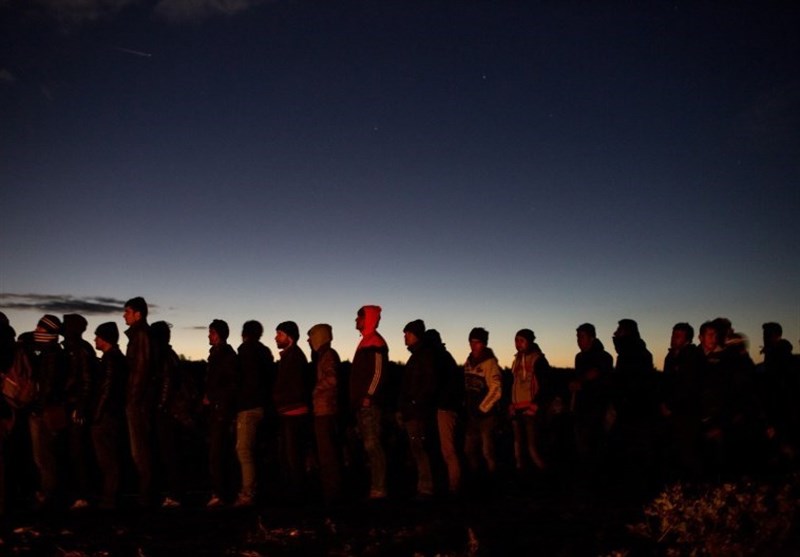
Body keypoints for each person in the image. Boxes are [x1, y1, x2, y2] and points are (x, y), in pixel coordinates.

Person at [26, 314, 68, 510]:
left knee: (43, 455)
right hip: (48, 408)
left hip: (45, 411)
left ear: (49, 331)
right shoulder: (49, 351)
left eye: (40, 327)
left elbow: (48, 384)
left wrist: (38, 407)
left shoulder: (50, 354)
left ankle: (48, 494)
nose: (36, 329)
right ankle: (49, 492)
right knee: (46, 454)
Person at [350, 305, 390, 500]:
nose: (356, 320)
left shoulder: (375, 342)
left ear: (368, 319)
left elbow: (378, 372)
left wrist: (368, 396)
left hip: (369, 405)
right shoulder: (365, 342)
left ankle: (379, 487)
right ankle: (373, 485)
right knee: (368, 446)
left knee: (373, 445)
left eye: (359, 317)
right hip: (362, 404)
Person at [234, 320, 274, 507]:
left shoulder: (245, 352)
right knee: (256, 450)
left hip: (248, 407)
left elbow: (242, 380)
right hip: (263, 406)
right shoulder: (265, 352)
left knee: (244, 450)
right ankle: (260, 488)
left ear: (244, 333)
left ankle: (248, 492)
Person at [273, 320, 313, 501]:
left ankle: (297, 495)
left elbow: (296, 387)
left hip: (294, 412)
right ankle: (293, 492)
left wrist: (278, 397)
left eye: (279, 334)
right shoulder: (289, 356)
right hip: (288, 411)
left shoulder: (294, 358)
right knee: (289, 456)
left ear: (289, 337)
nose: (276, 338)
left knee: (293, 456)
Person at [570, 323, 613, 489]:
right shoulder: (579, 357)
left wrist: (581, 383)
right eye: (577, 337)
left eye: (581, 337)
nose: (578, 340)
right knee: (582, 443)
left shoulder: (603, 357)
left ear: (592, 338)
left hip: (596, 408)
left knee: (595, 443)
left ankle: (596, 481)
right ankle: (586, 478)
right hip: (581, 407)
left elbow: (597, 377)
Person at [660, 322, 704, 481]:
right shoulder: (670, 357)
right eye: (673, 335)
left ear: (687, 339)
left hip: (686, 413)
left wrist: (672, 406)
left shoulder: (692, 357)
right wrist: (663, 403)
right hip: (671, 412)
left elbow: (688, 387)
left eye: (678, 336)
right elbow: (666, 384)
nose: (673, 339)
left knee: (688, 451)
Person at [61, 314, 97, 510]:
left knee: (78, 452)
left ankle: (83, 494)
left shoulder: (78, 350)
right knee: (74, 451)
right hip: (73, 404)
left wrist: (80, 407)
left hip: (75, 406)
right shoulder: (76, 348)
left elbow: (86, 381)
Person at [90, 322, 128, 510]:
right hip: (112, 414)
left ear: (105, 339)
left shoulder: (110, 360)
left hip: (107, 416)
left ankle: (110, 499)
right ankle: (112, 496)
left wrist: (97, 414)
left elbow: (106, 389)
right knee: (111, 456)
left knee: (107, 458)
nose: (94, 339)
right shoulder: (116, 358)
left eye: (97, 336)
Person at [151, 320, 189, 508]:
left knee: (169, 453)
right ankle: (175, 492)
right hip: (171, 410)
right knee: (171, 453)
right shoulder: (170, 355)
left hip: (167, 412)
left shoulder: (163, 356)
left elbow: (166, 381)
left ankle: (175, 494)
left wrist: (160, 405)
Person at [399, 319, 437, 499]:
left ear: (416, 335)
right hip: (413, 411)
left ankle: (426, 487)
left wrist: (415, 402)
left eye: (408, 333)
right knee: (417, 449)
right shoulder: (416, 356)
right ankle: (422, 484)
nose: (405, 337)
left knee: (420, 449)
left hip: (418, 412)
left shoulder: (424, 356)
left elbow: (428, 383)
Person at [123, 296, 155, 507]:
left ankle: (146, 495)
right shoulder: (138, 335)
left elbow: (140, 370)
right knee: (141, 449)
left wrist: (132, 399)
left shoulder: (141, 335)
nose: (124, 315)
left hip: (138, 401)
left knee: (140, 450)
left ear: (138, 314)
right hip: (138, 400)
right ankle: (146, 492)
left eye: (127, 311)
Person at [204, 319, 239, 507]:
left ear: (218, 334)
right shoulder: (218, 354)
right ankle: (222, 491)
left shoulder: (225, 356)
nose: (209, 336)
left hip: (221, 411)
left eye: (211, 332)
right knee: (218, 452)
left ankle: (220, 493)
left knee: (217, 453)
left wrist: (213, 397)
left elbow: (231, 385)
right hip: (218, 410)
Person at [308, 323, 342, 505]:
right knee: (327, 454)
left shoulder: (328, 355)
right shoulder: (323, 355)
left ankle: (332, 495)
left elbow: (332, 378)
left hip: (325, 410)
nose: (309, 340)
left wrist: (315, 389)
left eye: (312, 336)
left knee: (328, 455)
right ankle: (331, 492)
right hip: (324, 409)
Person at [428, 329, 464, 497]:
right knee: (447, 448)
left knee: (448, 449)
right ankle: (450, 483)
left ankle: (454, 486)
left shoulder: (439, 358)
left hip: (445, 408)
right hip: (447, 406)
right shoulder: (445, 357)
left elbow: (439, 384)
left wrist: (439, 402)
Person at [463, 327, 502, 476]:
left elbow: (496, 389)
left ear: (484, 344)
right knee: (469, 450)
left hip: (486, 416)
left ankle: (493, 477)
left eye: (477, 342)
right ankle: (476, 476)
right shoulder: (468, 362)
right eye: (471, 342)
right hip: (471, 415)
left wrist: (483, 408)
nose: (473, 345)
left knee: (487, 451)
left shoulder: (490, 363)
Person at [508, 329, 549, 472]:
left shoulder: (538, 360)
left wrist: (535, 406)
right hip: (517, 410)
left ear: (530, 342)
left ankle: (545, 474)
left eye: (522, 340)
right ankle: (522, 475)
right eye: (516, 340)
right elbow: (514, 384)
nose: (518, 343)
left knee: (533, 448)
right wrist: (511, 404)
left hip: (531, 411)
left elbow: (546, 385)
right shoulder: (517, 360)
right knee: (518, 447)